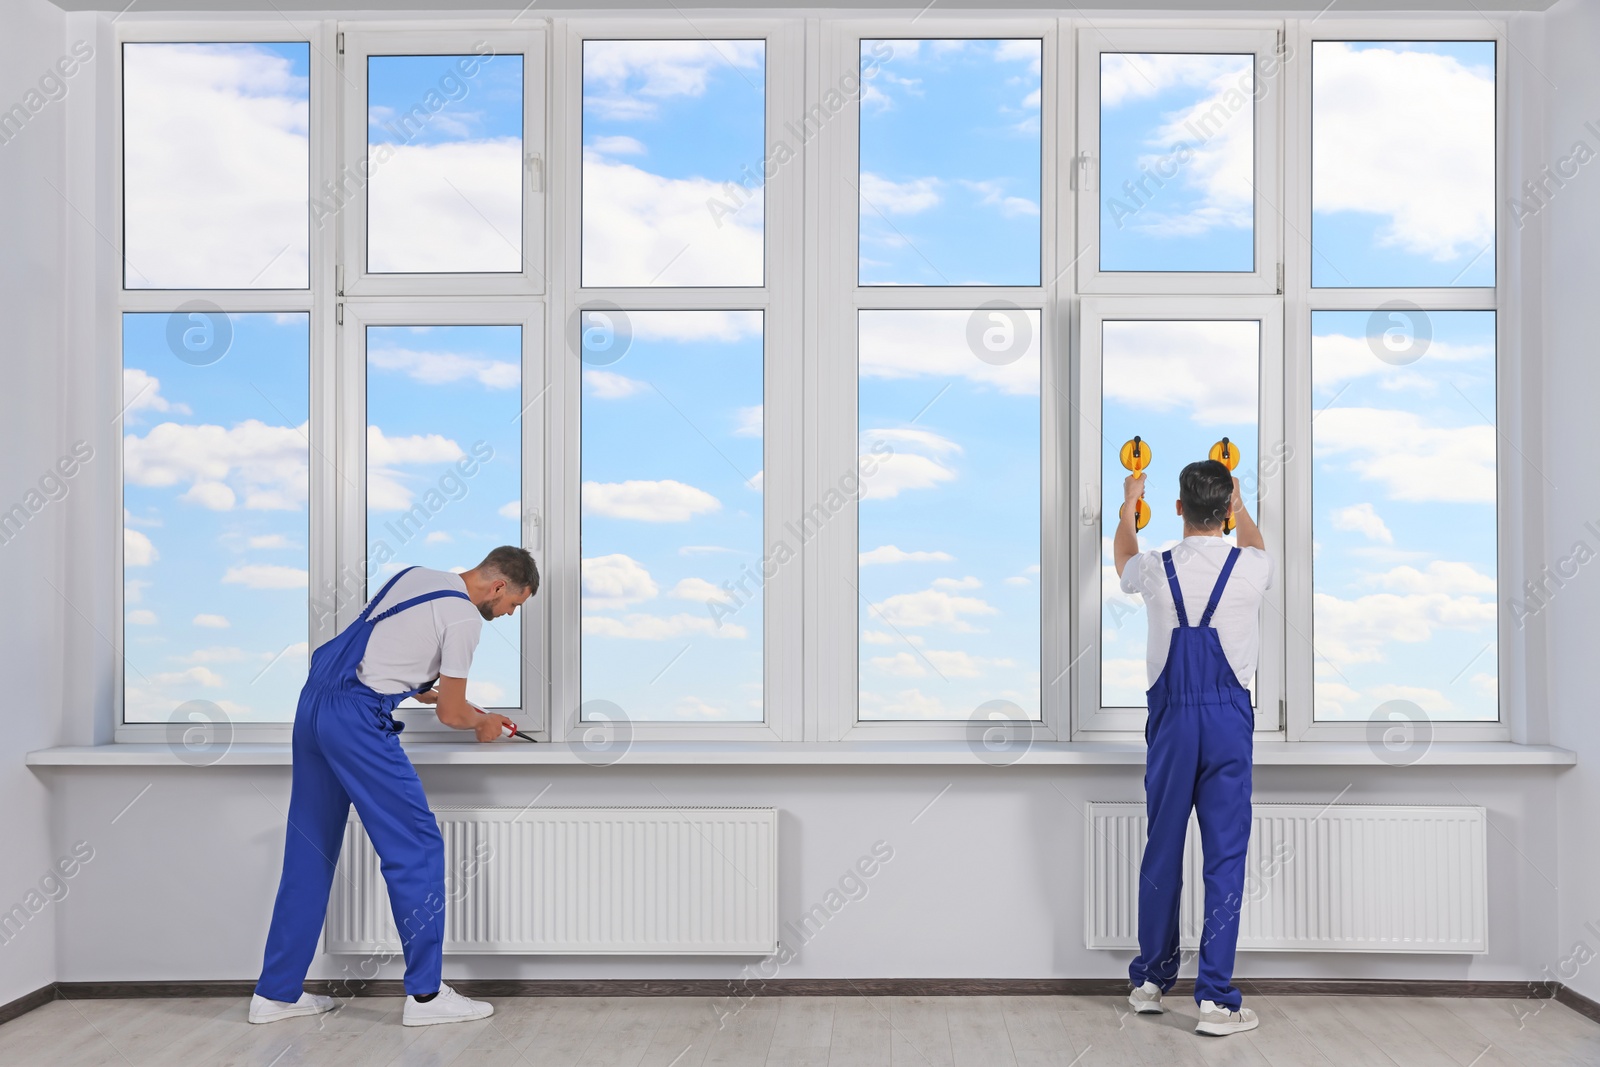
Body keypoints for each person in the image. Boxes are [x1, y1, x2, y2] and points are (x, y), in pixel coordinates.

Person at [249, 546, 539, 1027]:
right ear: (499, 587)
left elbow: (387, 649)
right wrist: (483, 723)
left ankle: (275, 994)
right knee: (417, 848)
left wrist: (425, 685)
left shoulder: (418, 576)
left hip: (313, 707)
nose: (507, 615)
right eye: (514, 605)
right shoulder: (465, 620)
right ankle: (427, 997)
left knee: (310, 852)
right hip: (356, 722)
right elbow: (452, 713)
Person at [1115, 460, 1272, 1037]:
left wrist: (1131, 502)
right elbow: (1255, 542)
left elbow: (1122, 556)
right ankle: (1216, 1001)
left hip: (1173, 724)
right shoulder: (1251, 568)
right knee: (1225, 859)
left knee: (1162, 848)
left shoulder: (1154, 570)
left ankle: (1150, 983)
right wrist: (1241, 502)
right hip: (1229, 725)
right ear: (1226, 512)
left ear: (1178, 509)